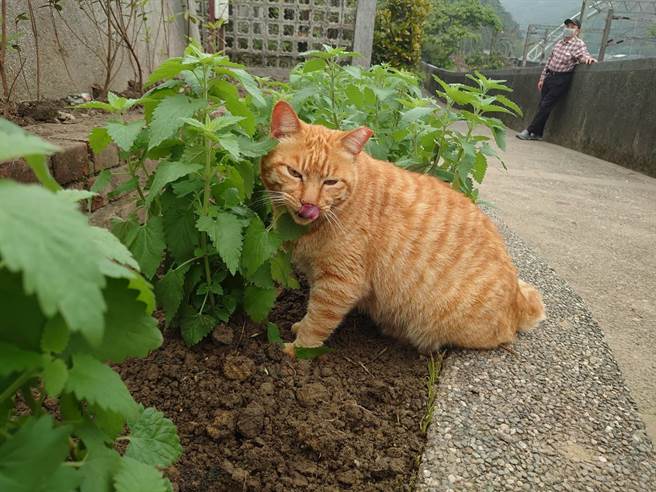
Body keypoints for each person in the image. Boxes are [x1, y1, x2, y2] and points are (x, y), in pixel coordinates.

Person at [517, 19, 597, 141]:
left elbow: (582, 56)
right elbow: (549, 61)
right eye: (567, 26)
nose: (568, 28)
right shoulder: (559, 43)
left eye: (572, 26)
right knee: (543, 106)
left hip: (561, 78)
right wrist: (542, 78)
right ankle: (538, 134)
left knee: (546, 105)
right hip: (549, 77)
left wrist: (588, 59)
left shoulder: (578, 44)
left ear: (578, 30)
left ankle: (529, 131)